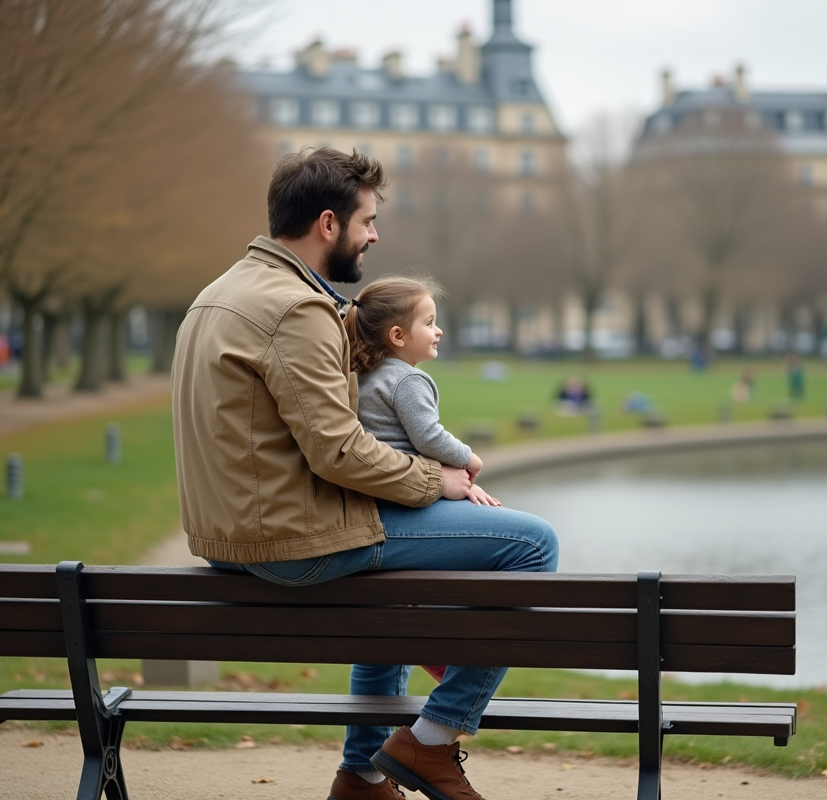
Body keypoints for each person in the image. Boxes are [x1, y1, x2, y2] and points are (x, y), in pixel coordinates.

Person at [171, 147, 558, 800]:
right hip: (293, 542)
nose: (375, 235)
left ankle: (363, 774)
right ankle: (430, 742)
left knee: (391, 590)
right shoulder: (295, 309)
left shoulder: (218, 295)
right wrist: (432, 481)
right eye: (368, 222)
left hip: (227, 540)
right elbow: (338, 452)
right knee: (531, 544)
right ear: (329, 224)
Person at [344, 274, 499, 510]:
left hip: (384, 493)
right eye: (429, 323)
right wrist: (470, 459)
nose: (439, 332)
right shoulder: (408, 380)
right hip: (405, 500)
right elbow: (429, 438)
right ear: (398, 335)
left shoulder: (369, 375)